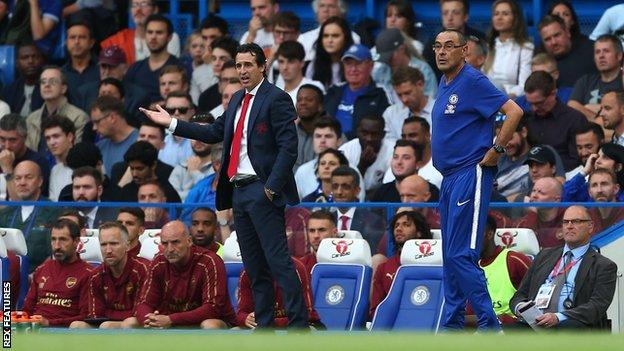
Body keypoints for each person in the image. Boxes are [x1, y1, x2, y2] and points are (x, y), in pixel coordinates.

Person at [140, 43, 310, 329]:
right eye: (238, 65)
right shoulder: (235, 100)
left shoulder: (277, 98)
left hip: (262, 189)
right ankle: (265, 328)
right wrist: (171, 123)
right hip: (239, 191)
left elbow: (288, 148)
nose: (242, 70)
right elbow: (212, 132)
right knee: (255, 266)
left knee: (278, 261)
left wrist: (271, 188)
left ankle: (299, 326)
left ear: (262, 66)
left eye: (247, 65)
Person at [431, 29, 523, 331]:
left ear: (464, 50)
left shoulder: (472, 81)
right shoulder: (445, 83)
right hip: (449, 178)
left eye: (449, 46)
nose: (442, 52)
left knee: (461, 254)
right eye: (437, 47)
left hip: (470, 173)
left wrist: (497, 149)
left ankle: (489, 325)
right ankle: (454, 325)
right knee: (450, 256)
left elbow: (514, 111)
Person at [510, 205, 617, 330]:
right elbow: (519, 295)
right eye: (565, 222)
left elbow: (597, 306)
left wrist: (558, 317)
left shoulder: (603, 266)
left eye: (576, 221)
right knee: (502, 332)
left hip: (571, 323)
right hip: (535, 323)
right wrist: (521, 308)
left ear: (590, 226)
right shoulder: (544, 256)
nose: (569, 226)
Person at [122, 221, 235, 329]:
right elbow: (143, 303)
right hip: (168, 322)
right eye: (165, 243)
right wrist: (150, 320)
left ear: (189, 241)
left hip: (206, 321)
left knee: (210, 324)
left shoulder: (209, 261)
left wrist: (171, 319)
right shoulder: (158, 263)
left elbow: (212, 308)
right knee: (129, 323)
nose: (170, 249)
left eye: (176, 242)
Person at [69, 222, 149, 329]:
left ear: (127, 246)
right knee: (76, 325)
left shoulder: (143, 270)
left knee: (124, 323)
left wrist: (110, 315)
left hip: (139, 326)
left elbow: (140, 313)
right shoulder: (95, 275)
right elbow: (96, 315)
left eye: (114, 244)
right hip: (106, 323)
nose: (108, 250)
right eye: (103, 244)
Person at [23, 219, 93, 326]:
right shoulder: (42, 269)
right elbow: (27, 310)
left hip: (65, 334)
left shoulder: (88, 274)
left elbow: (86, 317)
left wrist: (49, 323)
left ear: (76, 241)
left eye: (63, 240)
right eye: (53, 239)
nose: (57, 246)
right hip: (34, 330)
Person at [466, 215, 531, 325]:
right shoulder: (471, 268)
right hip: (482, 330)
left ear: (489, 234)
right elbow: (469, 314)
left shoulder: (514, 260)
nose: (469, 243)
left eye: (473, 237)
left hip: (513, 329)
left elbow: (539, 291)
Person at [369, 210, 432, 318]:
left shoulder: (434, 266)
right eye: (396, 226)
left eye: (406, 225)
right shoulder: (383, 268)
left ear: (419, 232)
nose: (398, 229)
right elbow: (376, 309)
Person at [523, 71, 588, 171]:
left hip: (565, 176)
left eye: (539, 103)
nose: (534, 108)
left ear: (553, 93)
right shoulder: (526, 119)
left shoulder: (575, 119)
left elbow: (577, 160)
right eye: (530, 103)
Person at [0, 160, 58, 271]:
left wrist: (35, 276)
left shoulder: (54, 212)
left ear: (40, 181)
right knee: (6, 288)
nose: (22, 182)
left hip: (40, 280)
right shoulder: (4, 214)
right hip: (7, 279)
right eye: (17, 178)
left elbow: (55, 253)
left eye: (28, 177)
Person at [324, 44, 390, 139]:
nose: (353, 69)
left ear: (371, 65)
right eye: (348, 64)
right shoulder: (333, 91)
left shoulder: (381, 93)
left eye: (358, 63)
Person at [236, 257, 322, 329]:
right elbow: (240, 313)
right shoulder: (247, 272)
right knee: (234, 333)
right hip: (261, 326)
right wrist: (246, 319)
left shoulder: (296, 268)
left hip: (301, 325)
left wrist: (268, 322)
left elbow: (306, 314)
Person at [76, 45, 150, 128]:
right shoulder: (85, 92)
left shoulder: (139, 96)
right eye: (103, 66)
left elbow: (139, 126)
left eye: (112, 67)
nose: (107, 72)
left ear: (125, 68)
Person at [26, 66, 88, 159]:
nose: (46, 85)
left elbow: (77, 153)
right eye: (43, 82)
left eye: (53, 81)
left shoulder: (79, 117)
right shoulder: (31, 118)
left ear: (63, 88)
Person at [123, 14, 183, 103]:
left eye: (159, 33)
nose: (153, 37)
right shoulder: (135, 68)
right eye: (150, 32)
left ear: (169, 37)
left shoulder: (179, 67)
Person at [101, 0, 180, 64]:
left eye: (144, 4)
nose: (138, 9)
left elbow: (170, 70)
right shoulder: (120, 40)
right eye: (134, 5)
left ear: (155, 10)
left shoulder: (169, 38)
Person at [483, 0, 533, 98]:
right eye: (496, 14)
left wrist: (508, 98)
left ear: (515, 18)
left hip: (512, 100)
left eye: (505, 14)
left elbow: (524, 85)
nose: (499, 18)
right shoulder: (489, 46)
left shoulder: (526, 47)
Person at [423, 0, 486, 79]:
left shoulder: (479, 38)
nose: (450, 18)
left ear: (465, 16)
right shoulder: (433, 42)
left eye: (455, 13)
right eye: (445, 13)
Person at [567, 35, 623, 120]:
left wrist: (587, 108)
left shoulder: (622, 80)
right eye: (597, 52)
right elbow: (572, 106)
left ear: (619, 56)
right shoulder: (585, 81)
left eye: (606, 51)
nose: (601, 56)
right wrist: (599, 120)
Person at [330, 166, 385, 253]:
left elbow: (371, 253)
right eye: (335, 187)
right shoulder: (327, 219)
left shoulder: (372, 220)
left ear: (357, 191)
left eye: (345, 187)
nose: (339, 192)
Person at [373, 28, 437, 100]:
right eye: (384, 58)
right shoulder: (381, 71)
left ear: (402, 49)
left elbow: (431, 101)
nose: (388, 61)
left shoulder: (423, 70)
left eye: (390, 56)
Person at [537, 15, 596, 89]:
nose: (554, 42)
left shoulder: (592, 51)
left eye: (557, 35)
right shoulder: (540, 64)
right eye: (547, 39)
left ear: (568, 32)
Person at [382, 67, 434, 143]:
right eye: (399, 95)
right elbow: (389, 147)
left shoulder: (440, 109)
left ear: (420, 85)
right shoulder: (391, 114)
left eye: (407, 93)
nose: (404, 100)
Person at [91, 96, 139, 176]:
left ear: (112, 118)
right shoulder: (98, 148)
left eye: (97, 122)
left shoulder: (141, 140)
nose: (94, 128)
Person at [296, 118, 343, 199]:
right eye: (318, 136)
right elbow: (294, 208)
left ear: (339, 141)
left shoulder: (352, 170)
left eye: (328, 136)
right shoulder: (302, 171)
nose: (322, 140)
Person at [305, 16, 354, 89]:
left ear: (345, 38)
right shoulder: (313, 66)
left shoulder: (354, 65)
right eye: (325, 36)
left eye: (335, 36)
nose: (330, 40)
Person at [515, 177, 565, 248]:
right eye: (533, 191)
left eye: (541, 193)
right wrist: (533, 214)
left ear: (556, 200)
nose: (534, 195)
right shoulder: (524, 222)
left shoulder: (568, 218)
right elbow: (526, 246)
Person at [275, 41, 325, 106]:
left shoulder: (314, 87)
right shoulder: (275, 91)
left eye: (291, 62)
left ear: (302, 63)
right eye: (281, 62)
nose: (285, 67)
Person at [2, 42, 44, 116]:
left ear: (41, 60)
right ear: (17, 63)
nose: (30, 61)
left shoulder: (49, 87)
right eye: (25, 57)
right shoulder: (9, 91)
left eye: (34, 56)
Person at [61, 21, 99, 102]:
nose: (76, 42)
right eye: (72, 37)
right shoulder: (60, 74)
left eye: (82, 37)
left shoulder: (103, 70)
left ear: (91, 43)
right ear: (66, 42)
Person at [159, 91, 196, 167]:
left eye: (182, 110)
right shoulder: (160, 138)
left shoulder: (200, 139)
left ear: (192, 112)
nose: (176, 113)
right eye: (171, 110)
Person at [43, 115, 75, 201]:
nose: (51, 142)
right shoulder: (54, 170)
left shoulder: (88, 160)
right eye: (48, 138)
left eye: (56, 136)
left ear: (70, 137)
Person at [294, 85, 327, 170]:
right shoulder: (290, 133)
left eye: (309, 100)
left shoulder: (331, 133)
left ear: (320, 106)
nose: (303, 103)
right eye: (299, 100)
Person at [297, 210, 338, 275]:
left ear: (334, 232)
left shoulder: (347, 264)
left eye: (322, 230)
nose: (316, 236)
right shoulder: (300, 266)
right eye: (312, 231)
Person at [587, 169, 624, 234]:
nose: (599, 190)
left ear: (616, 189)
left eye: (604, 184)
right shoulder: (586, 217)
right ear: (589, 192)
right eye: (594, 185)